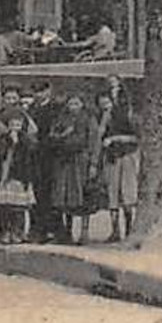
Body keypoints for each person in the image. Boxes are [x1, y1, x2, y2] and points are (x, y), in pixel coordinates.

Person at [48, 94, 99, 245]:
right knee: (64, 197)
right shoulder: (61, 119)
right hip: (64, 162)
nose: (73, 107)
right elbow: (52, 136)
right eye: (71, 104)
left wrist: (93, 163)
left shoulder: (89, 119)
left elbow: (94, 142)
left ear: (82, 104)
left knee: (84, 196)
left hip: (81, 161)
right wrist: (62, 136)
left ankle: (84, 232)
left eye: (77, 103)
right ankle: (66, 232)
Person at [0, 107, 37, 243]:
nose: (15, 128)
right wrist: (9, 141)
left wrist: (19, 142)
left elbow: (30, 155)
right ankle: (4, 232)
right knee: (3, 207)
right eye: (12, 125)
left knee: (18, 208)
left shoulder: (27, 140)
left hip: (19, 177)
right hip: (4, 177)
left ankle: (18, 232)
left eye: (18, 125)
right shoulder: (1, 139)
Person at [94, 90, 139, 242]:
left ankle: (129, 228)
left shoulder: (124, 117)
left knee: (126, 193)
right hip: (109, 158)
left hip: (125, 156)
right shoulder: (98, 120)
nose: (105, 108)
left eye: (107, 104)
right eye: (102, 106)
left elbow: (135, 138)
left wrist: (115, 138)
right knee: (111, 194)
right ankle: (115, 230)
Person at [27, 81, 62, 241]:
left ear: (49, 91)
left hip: (50, 156)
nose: (38, 95)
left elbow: (57, 132)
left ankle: (52, 230)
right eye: (36, 92)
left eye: (41, 91)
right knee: (36, 194)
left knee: (50, 194)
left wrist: (44, 144)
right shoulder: (31, 109)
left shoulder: (55, 110)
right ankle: (37, 229)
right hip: (34, 157)